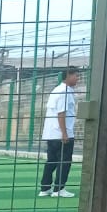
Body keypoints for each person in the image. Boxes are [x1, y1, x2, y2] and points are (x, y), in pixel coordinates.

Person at [38, 67, 79, 197]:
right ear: (68, 76)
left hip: (51, 133)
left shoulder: (57, 90)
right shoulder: (64, 92)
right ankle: (59, 189)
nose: (77, 78)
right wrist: (64, 133)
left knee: (52, 161)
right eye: (76, 76)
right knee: (64, 161)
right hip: (61, 133)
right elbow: (61, 113)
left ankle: (45, 188)